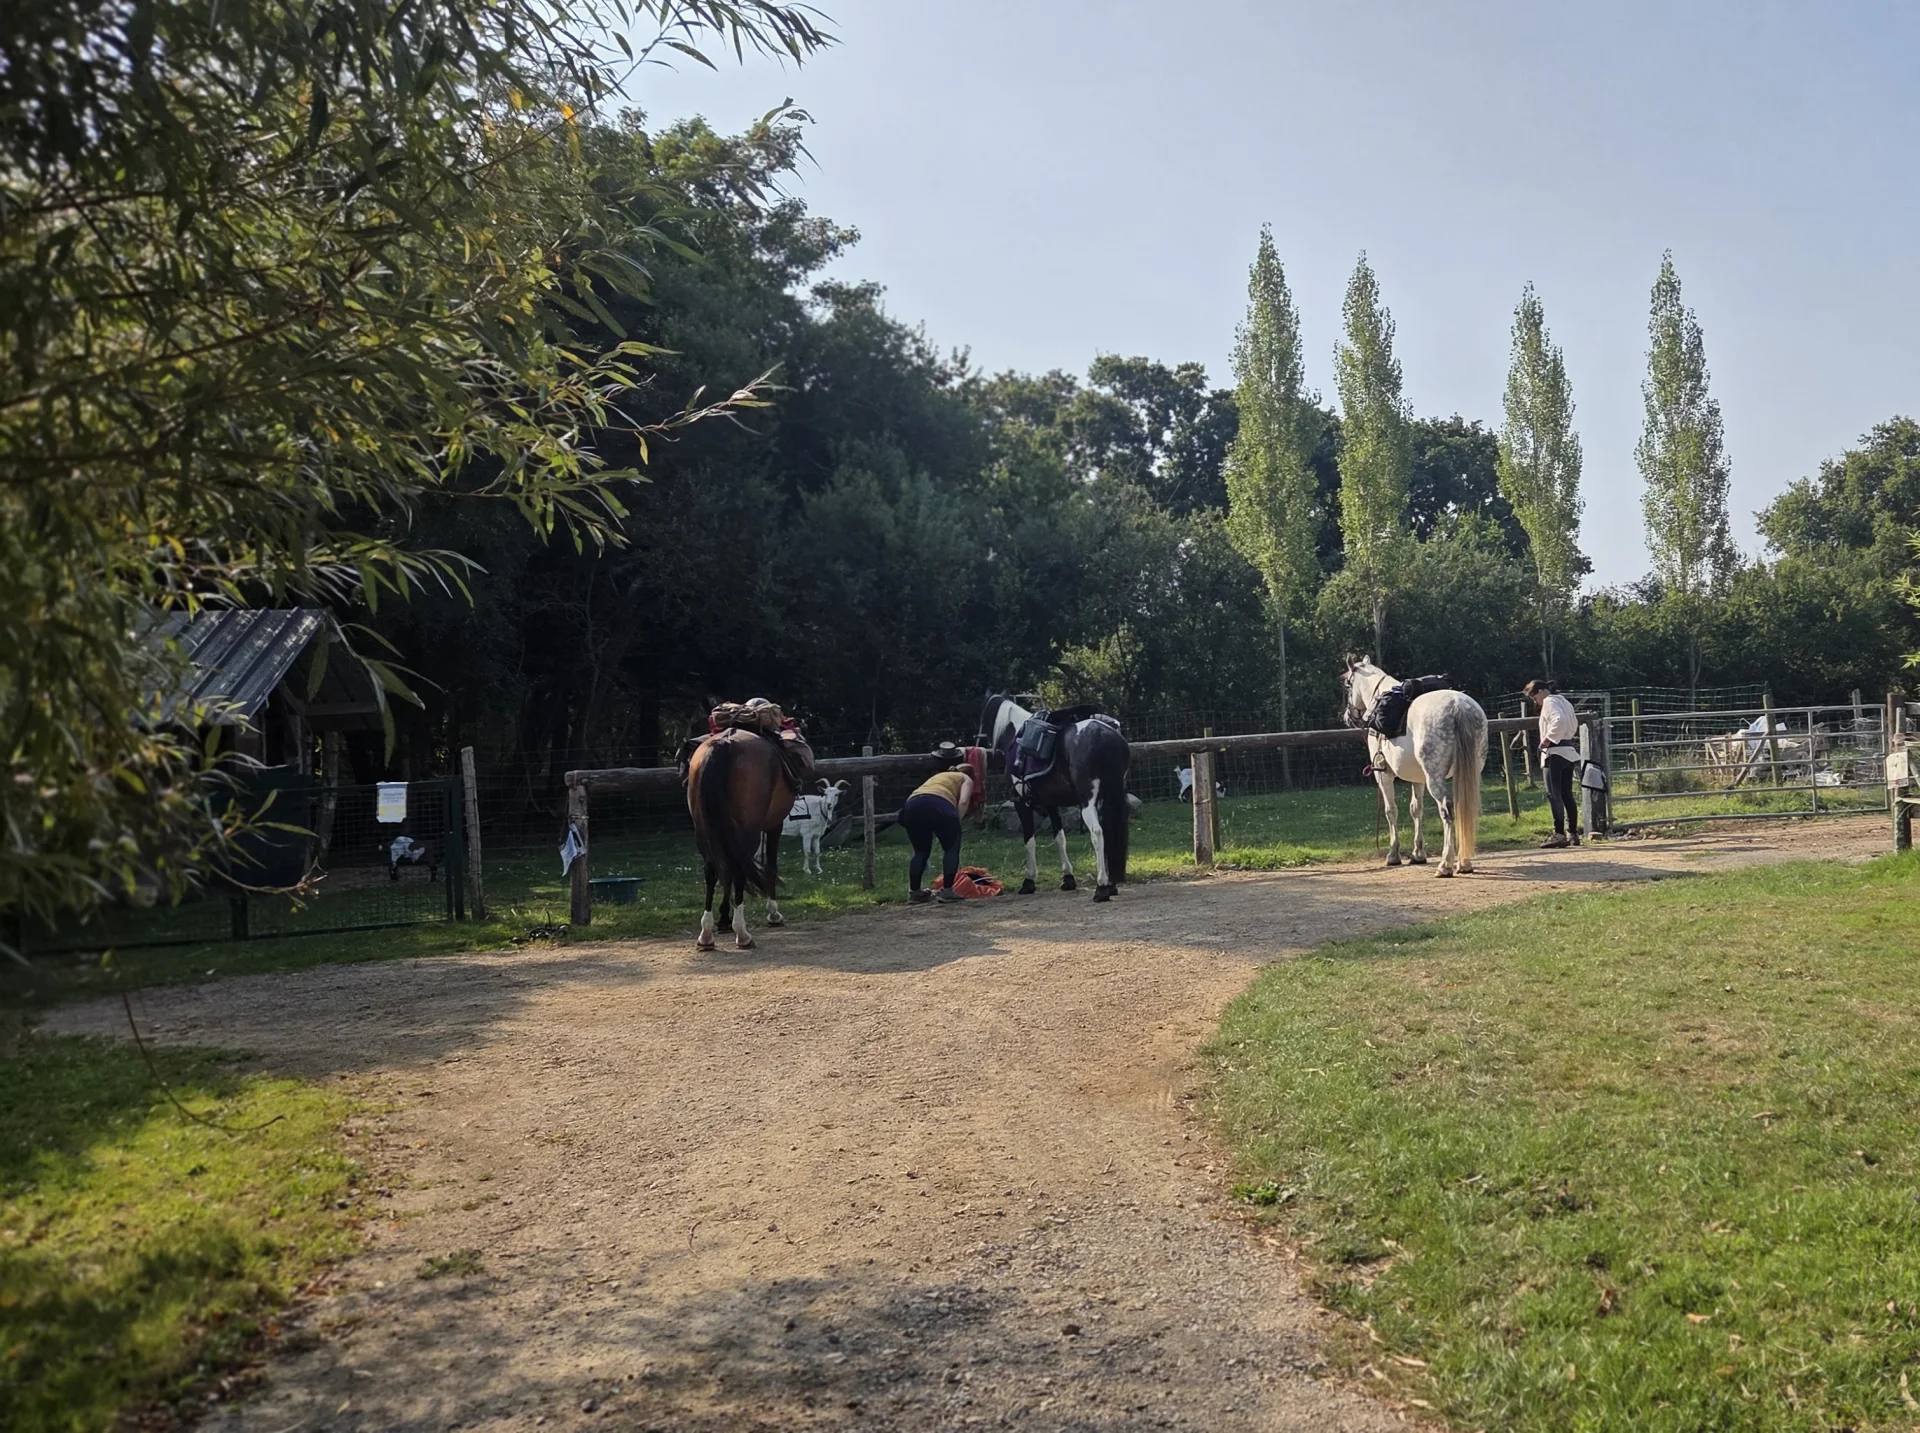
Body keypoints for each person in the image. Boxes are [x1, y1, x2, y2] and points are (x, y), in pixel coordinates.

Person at [901, 762, 975, 905]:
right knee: (951, 848)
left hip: (912, 804)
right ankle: (947, 891)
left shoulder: (940, 776)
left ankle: (915, 892)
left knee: (920, 852)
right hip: (940, 804)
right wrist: (956, 822)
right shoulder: (965, 778)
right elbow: (964, 801)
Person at [1525, 679, 1581, 847]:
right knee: (1566, 794)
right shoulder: (1564, 701)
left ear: (1541, 692)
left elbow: (1559, 721)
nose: (1536, 702)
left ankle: (1558, 833)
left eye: (1534, 698)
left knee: (1553, 794)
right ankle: (1573, 833)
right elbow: (1571, 722)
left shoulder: (1549, 702)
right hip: (1568, 753)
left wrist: (1547, 740)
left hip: (1554, 753)